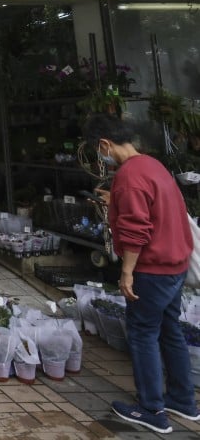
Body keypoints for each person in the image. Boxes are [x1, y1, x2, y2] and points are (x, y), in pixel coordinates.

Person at [83, 113, 198, 434]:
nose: (100, 156)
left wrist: (127, 274)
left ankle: (151, 410)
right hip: (175, 264)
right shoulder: (152, 166)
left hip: (152, 269)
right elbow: (153, 209)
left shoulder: (129, 176)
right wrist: (115, 200)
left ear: (105, 144)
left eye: (98, 149)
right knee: (170, 330)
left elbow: (135, 231)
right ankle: (183, 401)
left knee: (143, 333)